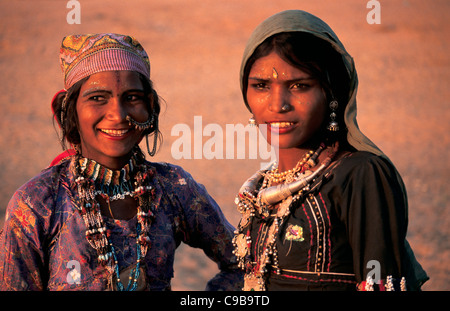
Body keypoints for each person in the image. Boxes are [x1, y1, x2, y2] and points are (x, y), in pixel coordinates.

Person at [0, 33, 242, 291]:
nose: (118, 114)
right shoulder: (37, 204)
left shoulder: (174, 188)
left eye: (132, 97)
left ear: (150, 108)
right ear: (71, 110)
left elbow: (242, 263)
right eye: (97, 98)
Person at [233, 10, 428, 291]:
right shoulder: (263, 186)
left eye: (300, 85)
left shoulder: (360, 174)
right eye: (261, 86)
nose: (278, 105)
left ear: (332, 93)